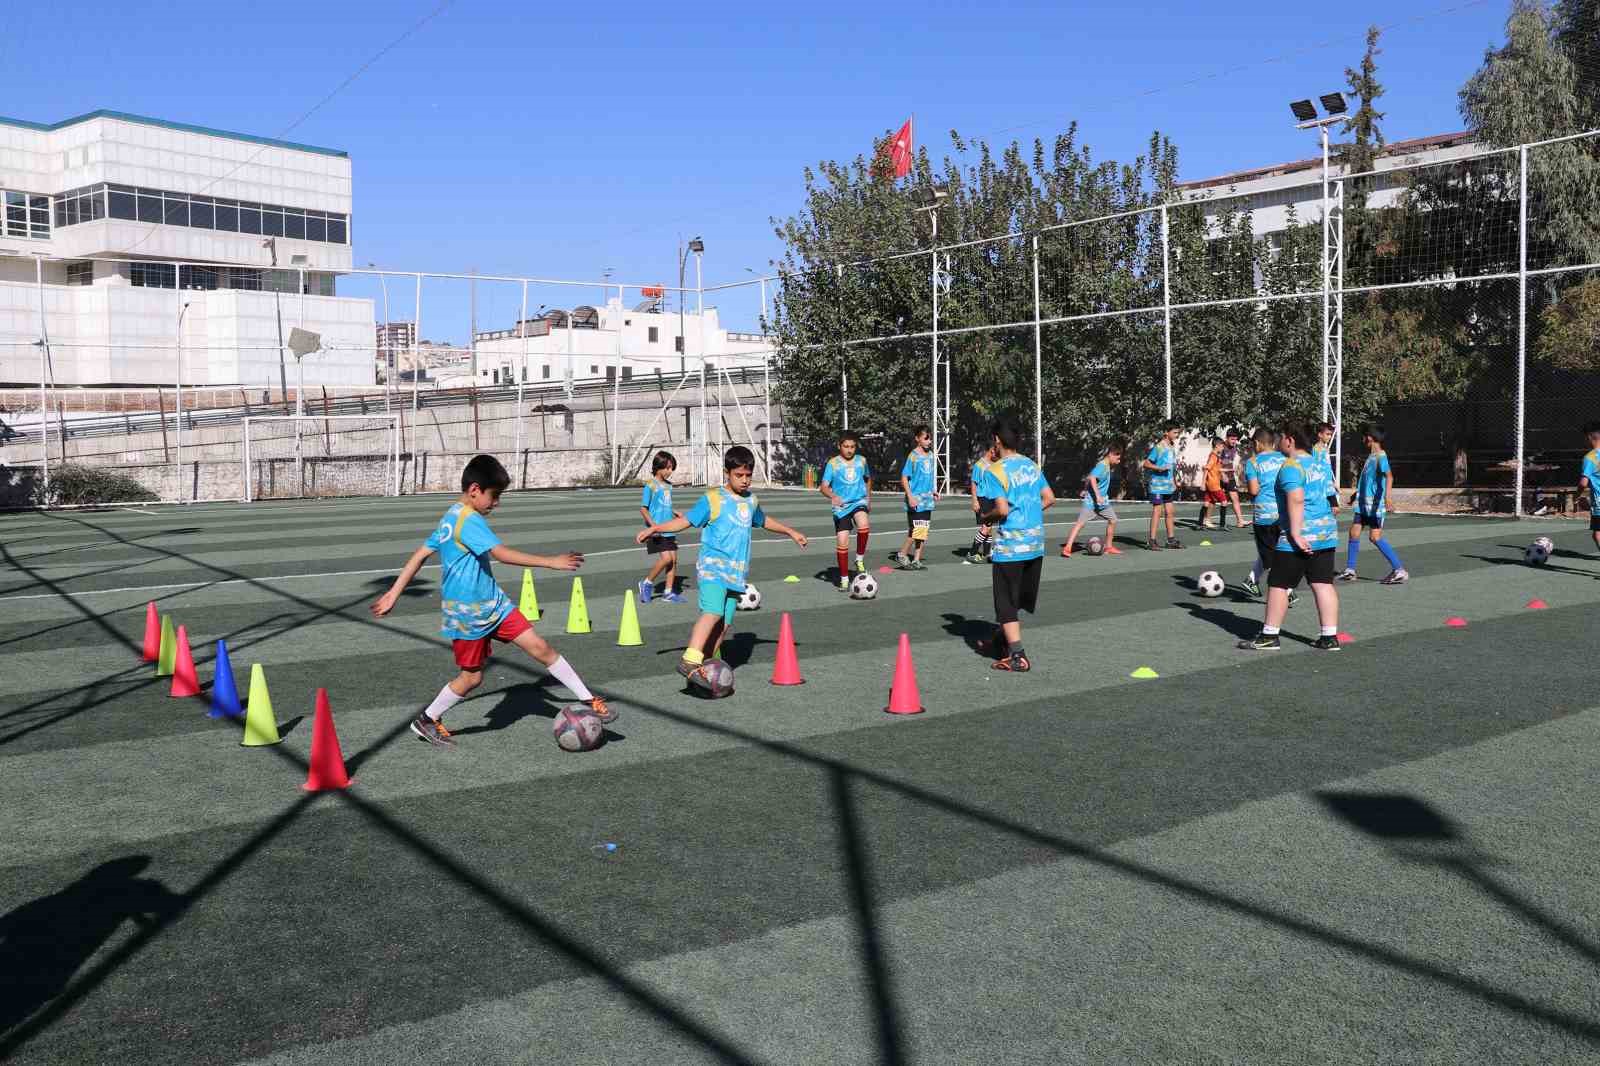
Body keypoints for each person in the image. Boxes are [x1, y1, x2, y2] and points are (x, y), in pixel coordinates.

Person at [372, 454, 613, 748]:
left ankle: (589, 699)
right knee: (471, 679)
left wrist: (394, 592)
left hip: (494, 605)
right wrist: (550, 562)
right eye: (494, 496)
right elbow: (501, 554)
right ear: (475, 490)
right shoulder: (468, 519)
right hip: (467, 615)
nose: (496, 503)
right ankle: (427, 718)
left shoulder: (451, 514)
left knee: (541, 648)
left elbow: (421, 554)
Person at [638, 445, 807, 686]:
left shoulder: (751, 501)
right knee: (713, 613)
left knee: (723, 627)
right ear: (727, 472)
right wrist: (656, 528)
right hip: (712, 568)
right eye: (739, 475)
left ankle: (705, 669)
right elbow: (686, 521)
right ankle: (690, 659)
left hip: (735, 575)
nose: (745, 480)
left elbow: (763, 520)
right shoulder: (713, 498)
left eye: (749, 475)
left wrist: (790, 531)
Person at [1238, 423, 1340, 652]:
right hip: (1326, 534)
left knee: (1278, 584)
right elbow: (1329, 495)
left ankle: (1269, 636)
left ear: (1291, 440)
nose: (1279, 440)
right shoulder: (1318, 464)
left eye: (1282, 437)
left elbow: (1296, 498)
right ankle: (1329, 637)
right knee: (1322, 583)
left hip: (1300, 535)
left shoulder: (1291, 466)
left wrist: (1294, 532)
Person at [977, 415, 1056, 671]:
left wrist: (985, 517)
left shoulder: (995, 471)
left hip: (1011, 546)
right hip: (1035, 542)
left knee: (1005, 603)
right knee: (1016, 597)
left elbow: (1000, 510)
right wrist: (1029, 513)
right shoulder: (1032, 465)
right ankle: (1001, 638)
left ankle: (1017, 656)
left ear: (997, 440)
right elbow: (1049, 498)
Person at [1339, 425, 1409, 585]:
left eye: (1364, 436)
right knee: (1354, 533)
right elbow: (1369, 481)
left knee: (1375, 537)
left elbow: (1389, 477)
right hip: (1363, 505)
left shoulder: (1380, 456)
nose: (1362, 439)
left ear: (1369, 437)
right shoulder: (1371, 456)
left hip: (1375, 506)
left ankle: (1399, 570)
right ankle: (1350, 570)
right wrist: (1355, 495)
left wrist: (1388, 499)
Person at [1239, 428, 1296, 608]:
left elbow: (1254, 490)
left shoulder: (1253, 462)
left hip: (1263, 516)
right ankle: (1253, 580)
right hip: (1283, 513)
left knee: (1270, 554)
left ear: (1257, 443)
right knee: (1276, 552)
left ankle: (1284, 590)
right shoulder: (1286, 460)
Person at [820, 431, 872, 591]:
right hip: (841, 506)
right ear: (839, 446)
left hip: (858, 501)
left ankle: (859, 560)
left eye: (852, 446)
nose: (849, 450)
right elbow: (823, 487)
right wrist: (833, 496)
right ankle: (844, 579)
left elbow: (868, 479)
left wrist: (868, 498)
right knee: (842, 541)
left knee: (864, 524)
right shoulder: (833, 464)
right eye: (846, 446)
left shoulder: (862, 461)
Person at [637, 450, 686, 604]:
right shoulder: (650, 485)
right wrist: (653, 527)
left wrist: (675, 512)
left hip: (668, 527)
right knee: (666, 559)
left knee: (673, 560)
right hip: (657, 530)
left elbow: (665, 505)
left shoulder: (669, 486)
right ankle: (646, 583)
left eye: (672, 468)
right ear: (658, 467)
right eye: (668, 468)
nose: (670, 472)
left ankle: (668, 592)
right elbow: (643, 508)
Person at [1061, 442, 1123, 557]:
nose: (1119, 461)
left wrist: (1085, 489)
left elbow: (1089, 477)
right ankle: (1067, 548)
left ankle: (1109, 547)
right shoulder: (1102, 466)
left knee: (1113, 520)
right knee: (1080, 523)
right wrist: (1097, 495)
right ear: (1111, 454)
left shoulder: (1106, 465)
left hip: (1103, 502)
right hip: (1092, 502)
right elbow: (1093, 478)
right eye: (1118, 458)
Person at [893, 424, 937, 570]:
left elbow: (929, 476)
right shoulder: (913, 456)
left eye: (930, 438)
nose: (929, 441)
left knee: (924, 529)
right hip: (915, 499)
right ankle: (902, 553)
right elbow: (904, 477)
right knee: (916, 529)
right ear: (918, 439)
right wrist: (910, 496)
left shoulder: (931, 455)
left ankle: (916, 559)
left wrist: (933, 490)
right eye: (926, 438)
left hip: (927, 499)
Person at [1143, 421, 1184, 550]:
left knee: (1170, 512)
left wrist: (1174, 480)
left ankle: (1170, 540)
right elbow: (1146, 463)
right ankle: (1152, 540)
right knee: (1157, 511)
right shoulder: (1159, 447)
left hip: (1168, 486)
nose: (1177, 435)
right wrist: (1158, 468)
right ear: (1166, 432)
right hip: (1157, 486)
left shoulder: (1172, 446)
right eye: (1175, 432)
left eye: (1178, 432)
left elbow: (1171, 466)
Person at [965, 442, 1000, 564]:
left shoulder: (994, 464)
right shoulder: (979, 465)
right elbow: (974, 483)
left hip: (991, 499)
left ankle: (987, 553)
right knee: (986, 527)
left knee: (989, 528)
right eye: (997, 453)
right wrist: (974, 500)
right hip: (982, 499)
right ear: (992, 451)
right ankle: (972, 552)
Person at [1218, 428, 1248, 530]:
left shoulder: (1235, 448)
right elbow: (1216, 463)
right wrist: (1222, 474)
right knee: (1212, 499)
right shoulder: (1221, 447)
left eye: (1235, 439)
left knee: (1235, 498)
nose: (1234, 441)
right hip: (1219, 477)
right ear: (1227, 438)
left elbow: (1231, 462)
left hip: (1230, 477)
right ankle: (1206, 520)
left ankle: (1240, 521)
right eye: (1232, 439)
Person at [1197, 437, 1227, 531]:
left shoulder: (1215, 456)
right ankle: (1222, 525)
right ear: (1217, 446)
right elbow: (1207, 469)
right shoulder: (1213, 456)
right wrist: (1202, 483)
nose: (1223, 448)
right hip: (1214, 485)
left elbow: (1215, 469)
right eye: (1222, 446)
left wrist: (1227, 472)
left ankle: (1200, 524)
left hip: (1210, 484)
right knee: (1224, 502)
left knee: (1207, 502)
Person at [1313, 421, 1341, 517]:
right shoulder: (1316, 450)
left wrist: (1333, 483)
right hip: (1323, 490)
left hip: (1328, 488)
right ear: (1320, 434)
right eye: (1327, 434)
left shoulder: (1324, 449)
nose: (1330, 437)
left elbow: (1326, 470)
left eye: (1331, 434)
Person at [1583, 421, 1600, 554]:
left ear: (1589, 437)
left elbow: (1583, 483)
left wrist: (1577, 496)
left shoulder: (1590, 457)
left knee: (1597, 535)